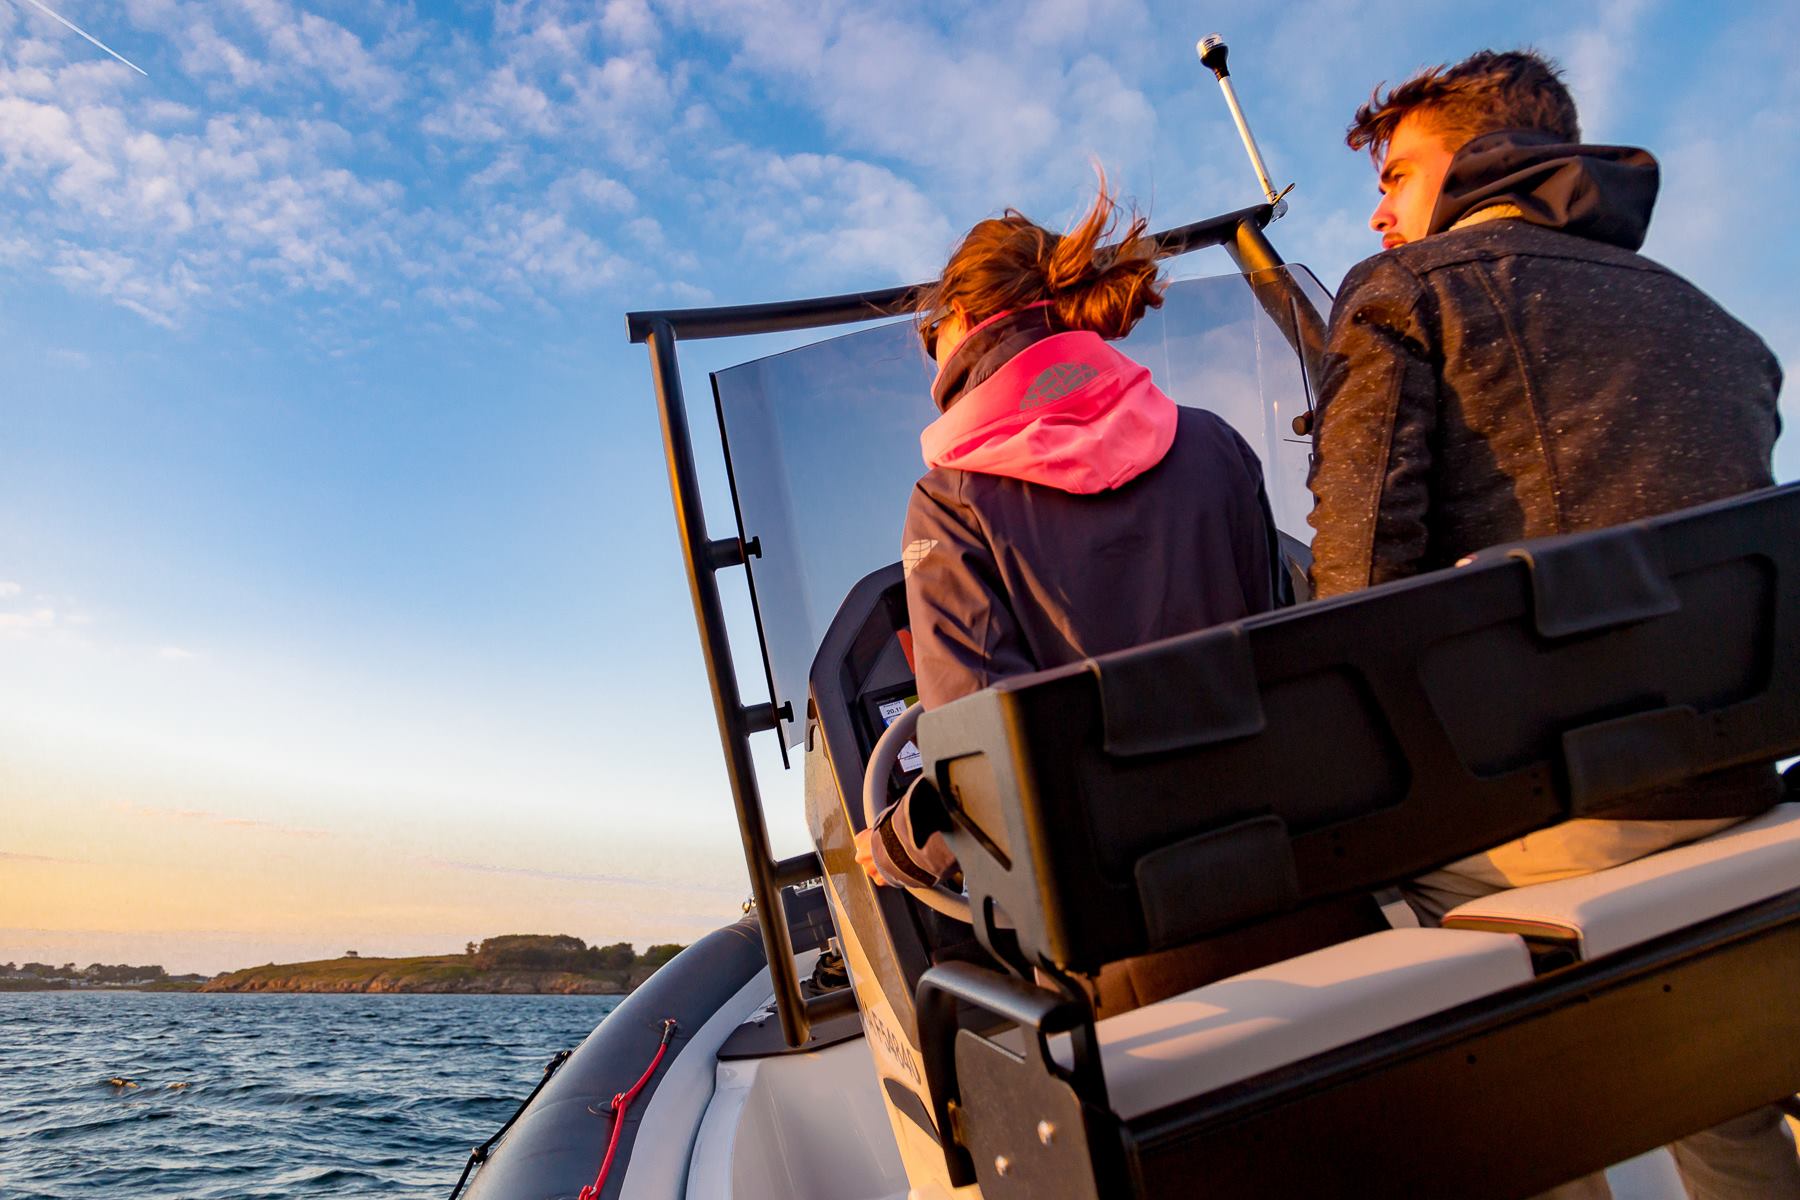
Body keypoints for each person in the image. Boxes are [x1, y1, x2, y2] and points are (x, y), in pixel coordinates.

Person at [1306, 48, 1796, 1199]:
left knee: (1354, 928)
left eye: (1400, 172)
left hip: (1566, 829)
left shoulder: (1406, 296)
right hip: (1741, 797)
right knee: (1720, 1098)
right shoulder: (1725, 330)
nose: (1379, 206)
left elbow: (1351, 611)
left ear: (1482, 161)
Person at [853, 178, 1382, 1013]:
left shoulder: (951, 501)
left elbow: (985, 769)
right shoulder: (1215, 444)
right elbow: (1282, 667)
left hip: (1136, 963)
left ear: (960, 322)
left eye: (930, 334)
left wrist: (898, 844)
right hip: (1306, 895)